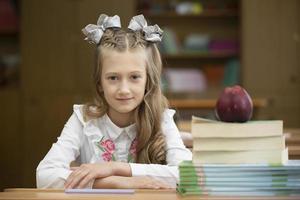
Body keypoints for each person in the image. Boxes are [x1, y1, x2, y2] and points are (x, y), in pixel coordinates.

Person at [36, 14, 192, 189]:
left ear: (147, 81)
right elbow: (45, 175)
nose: (124, 89)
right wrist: (119, 182)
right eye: (113, 78)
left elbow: (186, 175)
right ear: (99, 83)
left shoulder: (161, 118)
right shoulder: (83, 119)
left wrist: (114, 167)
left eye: (134, 77)